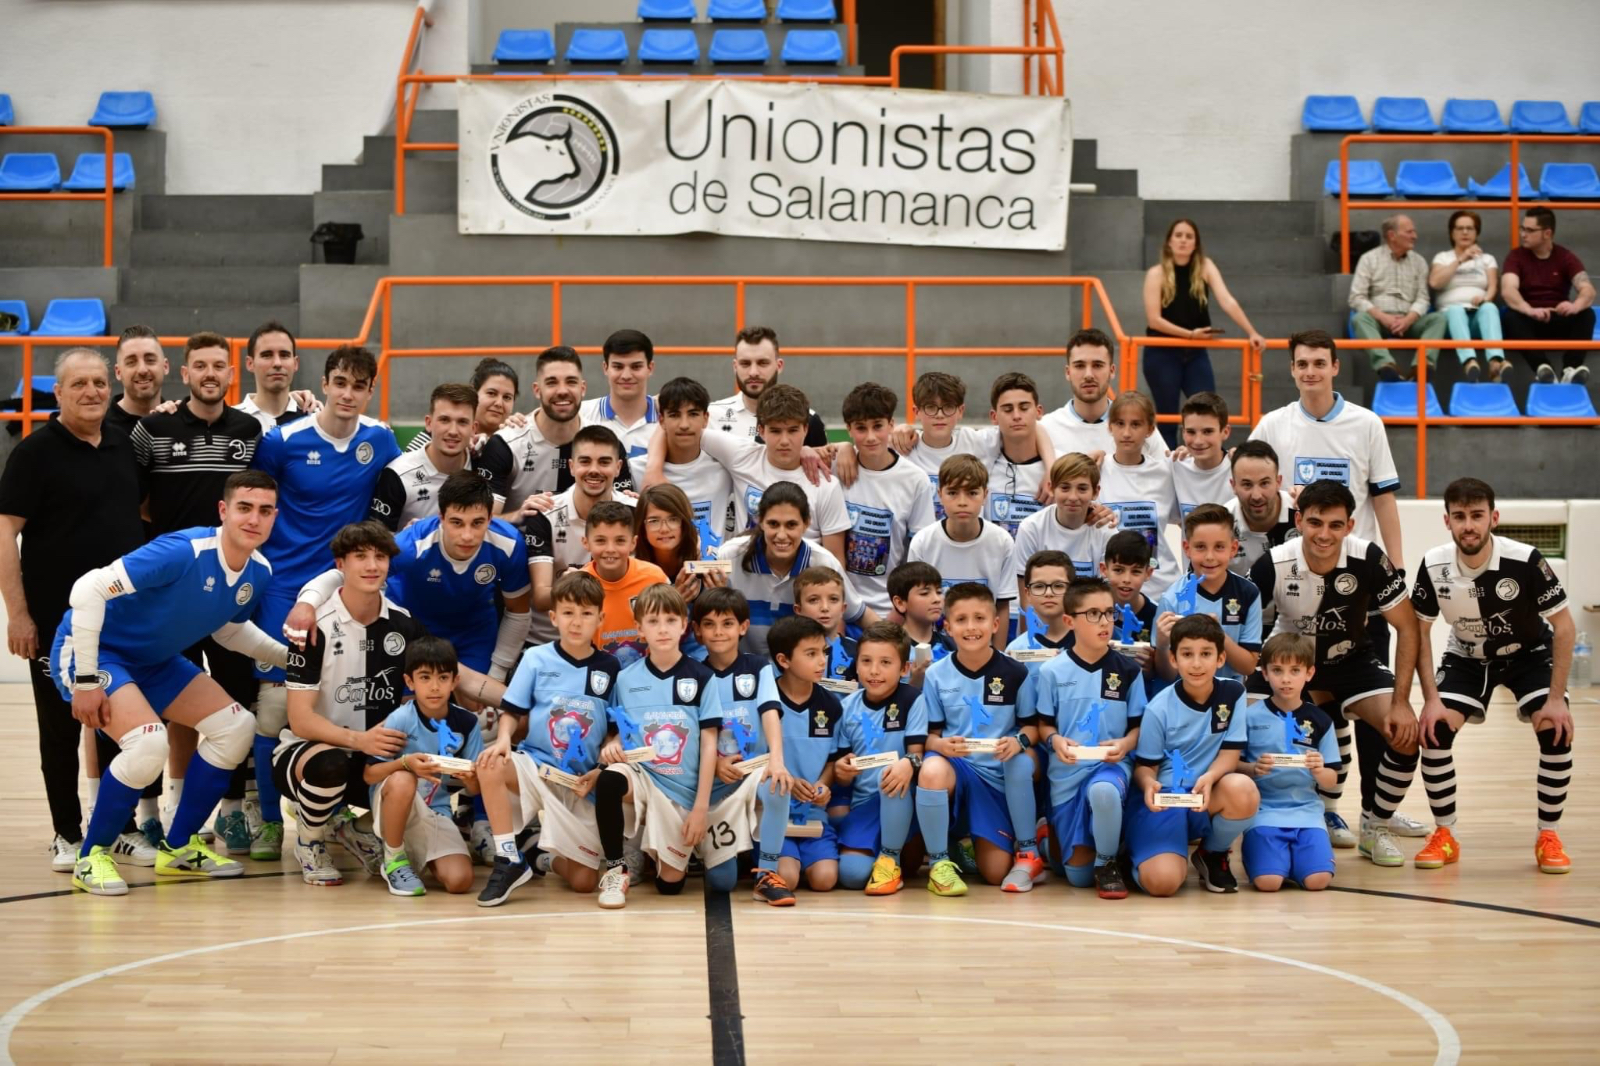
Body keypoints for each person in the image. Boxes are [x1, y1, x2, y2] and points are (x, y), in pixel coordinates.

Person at [48, 470, 287, 894]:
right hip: (94, 650)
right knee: (148, 741)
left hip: (153, 661)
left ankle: (178, 849)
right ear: (223, 511)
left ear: (274, 517)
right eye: (244, 508)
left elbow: (229, 631)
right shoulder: (185, 550)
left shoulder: (259, 571)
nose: (254, 519)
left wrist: (292, 659)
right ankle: (92, 856)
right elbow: (88, 590)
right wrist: (86, 680)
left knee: (235, 727)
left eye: (265, 510)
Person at [276, 521, 506, 886]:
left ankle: (358, 829)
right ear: (340, 565)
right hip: (311, 752)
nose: (371, 565)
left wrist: (519, 700)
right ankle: (310, 840)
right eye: (360, 557)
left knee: (435, 759)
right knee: (331, 764)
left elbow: (453, 672)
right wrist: (359, 740)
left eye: (380, 556)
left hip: (379, 760)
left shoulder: (402, 623)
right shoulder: (314, 627)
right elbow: (300, 719)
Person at [1249, 329, 1411, 847]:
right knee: (1314, 705)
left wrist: (1397, 562)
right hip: (1298, 579)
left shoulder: (1366, 423)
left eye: (1320, 362)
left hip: (1356, 584)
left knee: (1364, 703)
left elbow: (1383, 498)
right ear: (1291, 369)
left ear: (1336, 366)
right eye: (1302, 363)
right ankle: (1327, 809)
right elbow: (1247, 475)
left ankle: (1373, 812)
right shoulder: (1275, 424)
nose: (1311, 371)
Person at [248, 345, 401, 861]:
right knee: (275, 707)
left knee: (352, 695)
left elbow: (415, 475)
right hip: (286, 591)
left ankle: (332, 814)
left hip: (348, 584)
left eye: (359, 386)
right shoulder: (282, 440)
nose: (348, 394)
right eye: (340, 382)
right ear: (325, 383)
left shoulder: (380, 439)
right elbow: (256, 503)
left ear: (370, 390)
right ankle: (270, 821)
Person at [0, 348, 148, 873]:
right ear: (57, 393)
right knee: (61, 730)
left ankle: (120, 829)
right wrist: (18, 615)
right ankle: (66, 832)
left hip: (121, 621)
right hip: (55, 624)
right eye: (78, 384)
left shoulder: (122, 446)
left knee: (118, 723)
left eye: (98, 382)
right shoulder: (35, 453)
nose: (91, 391)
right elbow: (5, 532)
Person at [130, 331, 265, 853]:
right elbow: (135, 502)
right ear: (183, 374)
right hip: (170, 596)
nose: (210, 374)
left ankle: (230, 813)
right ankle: (148, 811)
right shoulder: (153, 428)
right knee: (157, 702)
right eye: (200, 366)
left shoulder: (248, 431)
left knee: (234, 698)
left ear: (232, 375)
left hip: (229, 594)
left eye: (219, 366)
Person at [1248, 480, 1423, 868]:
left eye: (1335, 525)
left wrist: (1402, 702)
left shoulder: (1369, 558)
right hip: (1291, 662)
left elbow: (1408, 627)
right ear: (1298, 520)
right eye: (1315, 523)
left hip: (1351, 660)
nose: (1324, 534)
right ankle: (1254, 821)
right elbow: (1239, 630)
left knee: (1405, 735)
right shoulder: (1273, 563)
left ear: (1350, 525)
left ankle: (1375, 825)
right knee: (1241, 731)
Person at [1410, 477, 1576, 875]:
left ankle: (1548, 835)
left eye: (1477, 516)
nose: (1469, 525)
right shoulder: (1434, 564)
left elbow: (1565, 627)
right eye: (1460, 516)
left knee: (1555, 729)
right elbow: (1419, 631)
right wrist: (1430, 699)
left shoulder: (1526, 560)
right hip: (1466, 655)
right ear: (1447, 521)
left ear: (1493, 518)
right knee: (1433, 732)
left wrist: (1556, 699)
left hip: (1529, 654)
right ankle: (1445, 834)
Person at [292, 472, 531, 680]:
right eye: (456, 523)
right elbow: (347, 574)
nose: (467, 535)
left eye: (477, 523)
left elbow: (519, 611)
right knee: (409, 710)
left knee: (481, 716)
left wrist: (498, 672)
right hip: (413, 630)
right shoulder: (411, 545)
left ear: (491, 519)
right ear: (441, 518)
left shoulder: (509, 545)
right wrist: (306, 602)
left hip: (474, 631)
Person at [473, 571, 622, 907]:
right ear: (553, 617)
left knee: (584, 882)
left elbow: (615, 729)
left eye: (586, 614)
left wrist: (601, 765)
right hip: (536, 766)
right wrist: (503, 740)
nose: (576, 622)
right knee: (490, 764)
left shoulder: (610, 667)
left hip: (579, 781)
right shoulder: (536, 658)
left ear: (600, 618)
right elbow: (512, 710)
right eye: (568, 613)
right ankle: (508, 856)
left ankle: (539, 857)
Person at [593, 585, 725, 909]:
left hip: (680, 792)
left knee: (669, 886)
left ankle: (651, 845)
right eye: (653, 621)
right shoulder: (626, 679)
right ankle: (615, 869)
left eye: (670, 620)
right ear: (640, 628)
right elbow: (620, 731)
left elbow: (710, 746)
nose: (662, 628)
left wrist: (700, 809)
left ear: (684, 625)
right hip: (641, 777)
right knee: (609, 779)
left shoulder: (703, 678)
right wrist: (612, 745)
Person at [913, 582, 1043, 893]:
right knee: (931, 769)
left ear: (996, 624)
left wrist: (1019, 742)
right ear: (948, 626)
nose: (971, 627)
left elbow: (1032, 728)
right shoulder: (936, 675)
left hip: (996, 775)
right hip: (958, 768)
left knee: (995, 873)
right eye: (961, 620)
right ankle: (940, 863)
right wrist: (941, 745)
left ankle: (1012, 849)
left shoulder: (1016, 672)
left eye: (980, 618)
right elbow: (927, 736)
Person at [1129, 614, 1260, 895]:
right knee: (1163, 885)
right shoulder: (1158, 708)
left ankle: (1211, 854)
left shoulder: (1234, 693)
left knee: (1244, 790)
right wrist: (1149, 785)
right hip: (1165, 800)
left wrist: (1211, 777)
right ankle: (1130, 854)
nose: (1197, 663)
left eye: (1206, 654)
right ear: (1174, 659)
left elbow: (1230, 752)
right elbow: (1144, 768)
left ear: (1221, 658)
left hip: (1205, 795)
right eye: (1187, 654)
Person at [1035, 577, 1148, 898]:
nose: (1105, 622)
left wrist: (1125, 744)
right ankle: (1049, 840)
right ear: (1070, 621)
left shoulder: (1128, 671)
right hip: (1066, 774)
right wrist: (1056, 740)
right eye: (1094, 614)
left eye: (1110, 613)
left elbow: (1139, 728)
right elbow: (1044, 725)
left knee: (1103, 792)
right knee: (1075, 877)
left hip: (1110, 767)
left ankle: (1108, 861)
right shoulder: (1051, 672)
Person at [661, 382, 849, 559]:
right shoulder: (743, 456)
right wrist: (653, 468)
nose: (784, 441)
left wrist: (845, 446)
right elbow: (682, 430)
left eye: (792, 430)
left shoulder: (825, 484)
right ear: (761, 430)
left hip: (800, 584)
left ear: (805, 429)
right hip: (746, 578)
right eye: (775, 431)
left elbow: (835, 562)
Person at [362, 636, 480, 897]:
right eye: (425, 677)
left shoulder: (468, 723)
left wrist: (468, 776)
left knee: (460, 881)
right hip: (395, 801)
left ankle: (412, 857)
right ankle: (393, 857)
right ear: (409, 682)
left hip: (435, 809)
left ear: (455, 681)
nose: (434, 687)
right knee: (404, 778)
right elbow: (370, 775)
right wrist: (406, 763)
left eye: (443, 678)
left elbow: (474, 788)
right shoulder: (401, 718)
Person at [1142, 218, 1266, 447]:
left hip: (1195, 353)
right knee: (1167, 417)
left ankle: (1210, 465)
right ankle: (1168, 469)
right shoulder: (1156, 273)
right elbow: (1154, 320)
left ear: (1196, 244)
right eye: (1178, 235)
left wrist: (1252, 332)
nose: (1183, 240)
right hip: (1162, 352)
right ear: (1169, 241)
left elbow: (1227, 300)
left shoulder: (1205, 266)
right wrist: (1190, 334)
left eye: (1189, 236)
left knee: (1208, 409)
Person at [749, 614, 843, 906]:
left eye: (823, 652)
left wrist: (823, 786)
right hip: (774, 811)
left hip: (814, 816)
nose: (821, 661)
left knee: (825, 880)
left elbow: (832, 760)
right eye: (811, 654)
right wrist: (789, 781)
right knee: (787, 878)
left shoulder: (831, 704)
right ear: (784, 660)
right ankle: (770, 865)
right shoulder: (765, 700)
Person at [692, 586, 780, 892]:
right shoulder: (693, 675)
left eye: (727, 623)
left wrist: (777, 762)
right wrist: (715, 764)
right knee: (721, 882)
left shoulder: (758, 667)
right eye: (709, 624)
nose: (718, 632)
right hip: (718, 782)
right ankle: (717, 852)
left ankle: (767, 874)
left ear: (743, 627)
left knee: (777, 783)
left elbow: (770, 712)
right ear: (697, 631)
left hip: (754, 771)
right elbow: (695, 735)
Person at [1237, 632, 1340, 892]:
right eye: (1277, 670)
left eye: (1295, 670)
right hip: (1264, 813)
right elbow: (1233, 765)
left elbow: (1332, 779)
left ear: (1309, 673)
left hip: (1307, 813)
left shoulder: (1321, 721)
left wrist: (1319, 770)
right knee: (1268, 883)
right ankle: (1275, 859)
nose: (1285, 679)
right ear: (1264, 673)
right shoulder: (1249, 717)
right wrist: (1253, 768)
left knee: (1318, 882)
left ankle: (1297, 859)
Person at [832, 621, 926, 895]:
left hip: (902, 797)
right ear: (856, 666)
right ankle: (883, 856)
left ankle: (892, 859)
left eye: (886, 662)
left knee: (896, 776)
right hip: (863, 803)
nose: (874, 671)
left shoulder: (912, 699)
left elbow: (917, 753)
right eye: (867, 661)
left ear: (905, 668)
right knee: (851, 876)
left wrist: (908, 763)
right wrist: (841, 771)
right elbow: (841, 768)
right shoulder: (846, 707)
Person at [716, 483, 863, 657]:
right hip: (743, 669)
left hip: (800, 673)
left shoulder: (824, 562)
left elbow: (859, 614)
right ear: (760, 521)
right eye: (773, 524)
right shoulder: (730, 555)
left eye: (791, 525)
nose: (781, 535)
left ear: (806, 524)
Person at [522, 425, 635, 642]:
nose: (594, 470)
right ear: (572, 467)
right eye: (585, 461)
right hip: (550, 640)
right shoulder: (545, 513)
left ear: (618, 467)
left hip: (616, 639)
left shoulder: (636, 510)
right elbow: (541, 597)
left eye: (604, 462)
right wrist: (569, 585)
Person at [906, 455, 1016, 649]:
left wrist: (998, 658)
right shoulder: (922, 542)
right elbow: (916, 608)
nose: (962, 502)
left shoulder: (1002, 541)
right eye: (953, 493)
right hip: (936, 651)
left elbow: (1002, 606)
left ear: (985, 495)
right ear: (940, 494)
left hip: (983, 649)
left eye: (972, 493)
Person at [1153, 504, 1262, 684]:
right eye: (1200, 547)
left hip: (1230, 699)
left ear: (1233, 548)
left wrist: (1216, 633)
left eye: (1219, 547)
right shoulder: (1172, 598)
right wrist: (1163, 645)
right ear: (1186, 548)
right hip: (1184, 700)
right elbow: (1166, 675)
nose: (1210, 556)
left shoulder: (1248, 593)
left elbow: (1248, 666)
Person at [369, 383, 496, 530]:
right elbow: (376, 541)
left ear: (473, 428)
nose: (453, 431)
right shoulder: (398, 474)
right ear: (429, 423)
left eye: (462, 422)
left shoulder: (484, 465)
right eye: (444, 420)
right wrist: (405, 538)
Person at [479, 346, 586, 515]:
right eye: (552, 382)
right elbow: (483, 522)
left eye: (571, 382)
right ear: (537, 390)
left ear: (583, 388)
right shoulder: (505, 444)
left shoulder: (605, 442)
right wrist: (519, 516)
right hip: (519, 540)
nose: (562, 391)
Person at [1096, 391, 1181, 599]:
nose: (1126, 432)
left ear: (1150, 429)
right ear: (1110, 427)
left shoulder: (1167, 471)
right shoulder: (1095, 469)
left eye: (1135, 424)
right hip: (1110, 594)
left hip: (1162, 591)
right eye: (1120, 423)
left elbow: (1192, 513)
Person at [1500, 207, 1596, 384]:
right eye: (1522, 228)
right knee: (1511, 316)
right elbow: (1508, 290)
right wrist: (1530, 310)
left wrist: (1574, 306)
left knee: (1586, 314)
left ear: (1547, 233)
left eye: (1529, 230)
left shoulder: (1565, 257)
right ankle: (1543, 369)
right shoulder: (1516, 257)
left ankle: (1570, 369)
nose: (1523, 234)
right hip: (1529, 319)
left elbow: (1588, 290)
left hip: (1557, 316)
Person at [1040, 328, 1166, 461]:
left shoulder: (1136, 425)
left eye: (1097, 365)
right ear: (1068, 372)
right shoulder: (1046, 428)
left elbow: (1168, 472)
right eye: (1080, 366)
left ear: (1112, 371)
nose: (1088, 375)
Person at [1348, 214, 1447, 381]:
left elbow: (1423, 298)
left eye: (1414, 232)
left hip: (1410, 321)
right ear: (1392, 235)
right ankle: (1386, 365)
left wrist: (1408, 319)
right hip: (1378, 320)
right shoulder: (1369, 259)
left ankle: (1421, 368)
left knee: (1438, 319)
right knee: (1359, 319)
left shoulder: (1419, 262)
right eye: (1409, 232)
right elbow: (1356, 297)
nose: (1414, 236)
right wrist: (1383, 317)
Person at [707, 325, 830, 446]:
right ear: (735, 367)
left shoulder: (808, 419)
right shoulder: (710, 416)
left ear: (779, 366)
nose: (753, 372)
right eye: (745, 363)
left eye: (762, 363)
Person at [581, 500, 670, 665]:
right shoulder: (579, 586)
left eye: (620, 540)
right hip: (596, 677)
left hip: (649, 674)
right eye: (600, 540)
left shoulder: (655, 578)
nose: (610, 549)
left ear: (633, 543)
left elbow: (671, 630)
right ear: (586, 542)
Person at [646, 377, 734, 542]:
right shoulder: (638, 470)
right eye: (675, 415)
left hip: (714, 567)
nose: (684, 424)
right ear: (661, 420)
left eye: (693, 414)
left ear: (706, 418)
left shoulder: (725, 470)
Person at [1011, 453, 1112, 591]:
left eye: (1082, 489)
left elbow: (1106, 594)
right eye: (1065, 487)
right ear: (1051, 488)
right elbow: (1025, 591)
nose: (1073, 497)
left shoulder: (1106, 531)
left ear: (1095, 492)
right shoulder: (1031, 528)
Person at [1428, 210, 1506, 382]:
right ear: (1452, 233)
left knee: (1490, 308)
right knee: (1456, 310)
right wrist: (1461, 259)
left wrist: (1486, 299)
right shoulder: (1443, 258)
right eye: (1460, 228)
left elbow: (1492, 287)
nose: (1465, 232)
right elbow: (1435, 283)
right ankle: (1469, 362)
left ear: (1476, 232)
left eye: (1470, 228)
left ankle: (1495, 362)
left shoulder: (1487, 259)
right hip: (1449, 319)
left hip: (1476, 317)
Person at [406, 357, 520, 453]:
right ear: (474, 394)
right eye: (491, 393)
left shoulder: (517, 438)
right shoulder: (434, 435)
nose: (499, 403)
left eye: (507, 397)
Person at [635, 484, 718, 609]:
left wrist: (720, 596)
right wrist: (673, 603)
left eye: (673, 519)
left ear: (685, 522)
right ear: (642, 526)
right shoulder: (630, 566)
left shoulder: (706, 558)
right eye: (654, 521)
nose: (664, 529)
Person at [579, 329, 657, 461]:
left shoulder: (670, 419)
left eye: (636, 367)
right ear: (605, 368)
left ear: (650, 368)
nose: (626, 376)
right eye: (618, 367)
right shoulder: (581, 414)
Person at [1224, 440, 1297, 582]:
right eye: (1247, 484)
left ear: (1278, 482)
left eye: (1264, 483)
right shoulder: (1221, 523)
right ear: (1233, 485)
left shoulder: (1304, 515)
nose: (1256, 496)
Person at [236, 321, 319, 432]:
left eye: (284, 355)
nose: (277, 363)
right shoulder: (229, 422)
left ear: (295, 363)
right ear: (250, 363)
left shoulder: (315, 419)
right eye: (267, 355)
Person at [1169, 392, 1233, 515]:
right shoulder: (1175, 466)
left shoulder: (1238, 469)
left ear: (1225, 432)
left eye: (1207, 431)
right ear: (1183, 432)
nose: (1198, 441)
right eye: (1191, 432)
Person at [793, 566, 858, 687]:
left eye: (833, 599)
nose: (824, 608)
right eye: (813, 600)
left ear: (843, 609)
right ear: (798, 610)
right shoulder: (789, 652)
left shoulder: (857, 651)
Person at [1008, 550, 1075, 665]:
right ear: (1027, 593)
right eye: (1039, 586)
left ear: (1072, 590)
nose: (1048, 593)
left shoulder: (1087, 642)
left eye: (1058, 586)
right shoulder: (1016, 650)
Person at [886, 561, 955, 668]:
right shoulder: (887, 647)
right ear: (900, 603)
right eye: (925, 593)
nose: (937, 599)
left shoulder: (951, 646)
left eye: (939, 592)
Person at [106, 325, 170, 436]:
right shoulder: (100, 428)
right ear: (118, 372)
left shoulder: (179, 424)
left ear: (165, 366)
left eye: (150, 360)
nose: (142, 370)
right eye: (131, 362)